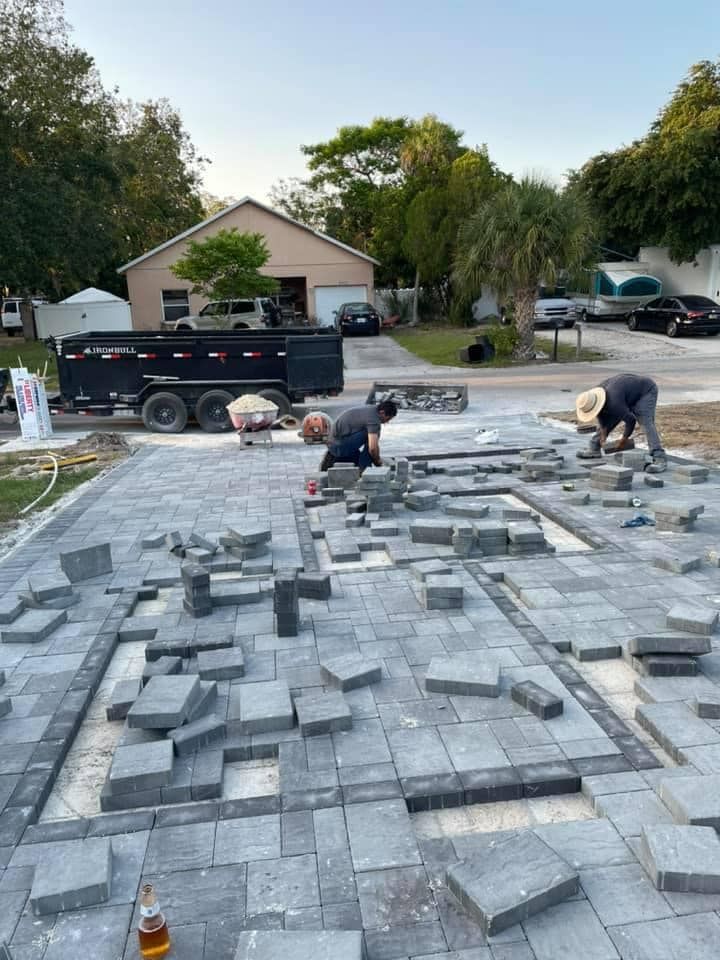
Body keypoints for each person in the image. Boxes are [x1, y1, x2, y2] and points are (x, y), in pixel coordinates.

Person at [575, 373, 666, 473]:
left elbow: (631, 421)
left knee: (645, 422)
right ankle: (594, 448)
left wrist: (624, 438)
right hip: (624, 393)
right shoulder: (594, 396)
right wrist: (603, 433)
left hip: (645, 391)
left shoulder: (614, 402)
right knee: (608, 419)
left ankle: (659, 457)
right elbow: (600, 414)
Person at [320, 400, 398, 472]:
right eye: (387, 419)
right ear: (382, 412)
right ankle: (364, 470)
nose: (386, 422)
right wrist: (378, 463)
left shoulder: (372, 409)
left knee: (372, 434)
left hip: (335, 443)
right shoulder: (374, 419)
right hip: (338, 447)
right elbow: (373, 449)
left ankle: (363, 466)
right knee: (372, 435)